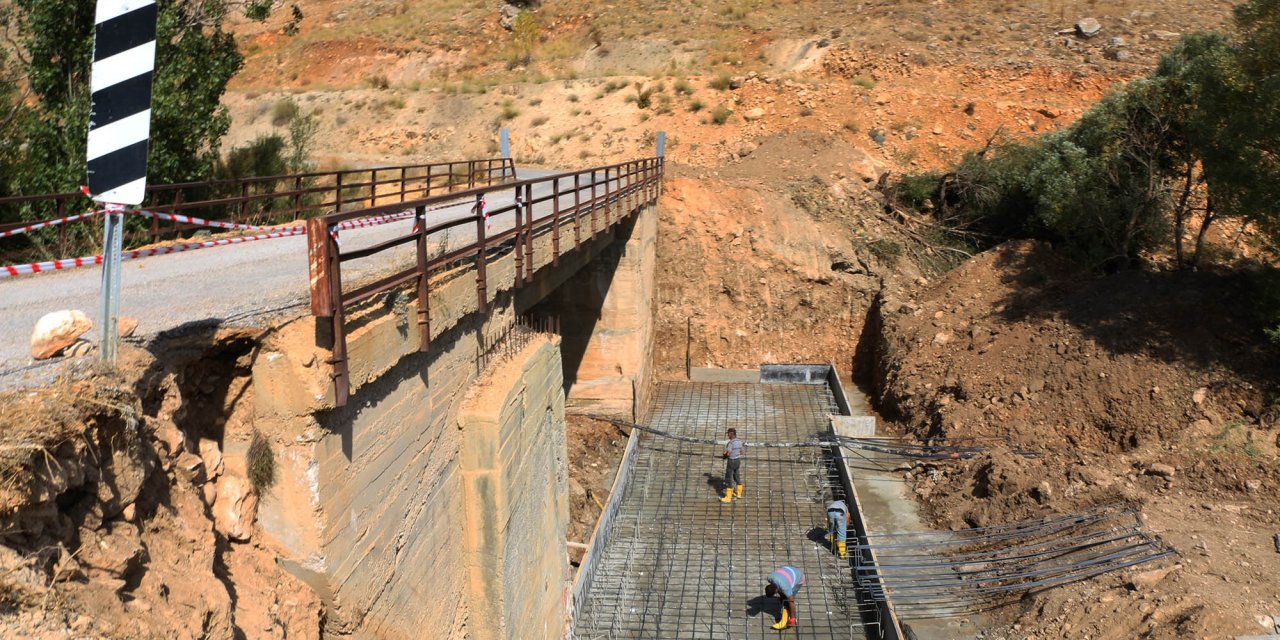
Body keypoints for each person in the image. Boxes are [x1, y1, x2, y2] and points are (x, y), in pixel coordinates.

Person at [765, 565, 805, 629]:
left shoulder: (785, 587)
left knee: (789, 600)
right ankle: (784, 601)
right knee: (783, 596)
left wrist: (792, 618)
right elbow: (778, 588)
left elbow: (791, 602)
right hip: (788, 570)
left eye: (775, 593)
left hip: (799, 577)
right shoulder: (769, 578)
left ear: (776, 590)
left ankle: (791, 616)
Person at [719, 428, 743, 503]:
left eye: (728, 433)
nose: (728, 435)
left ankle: (728, 498)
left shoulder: (731, 443)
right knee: (736, 476)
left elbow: (728, 453)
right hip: (738, 461)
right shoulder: (739, 441)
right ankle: (739, 494)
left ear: (731, 433)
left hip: (731, 461)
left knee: (729, 478)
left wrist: (724, 456)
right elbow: (742, 452)